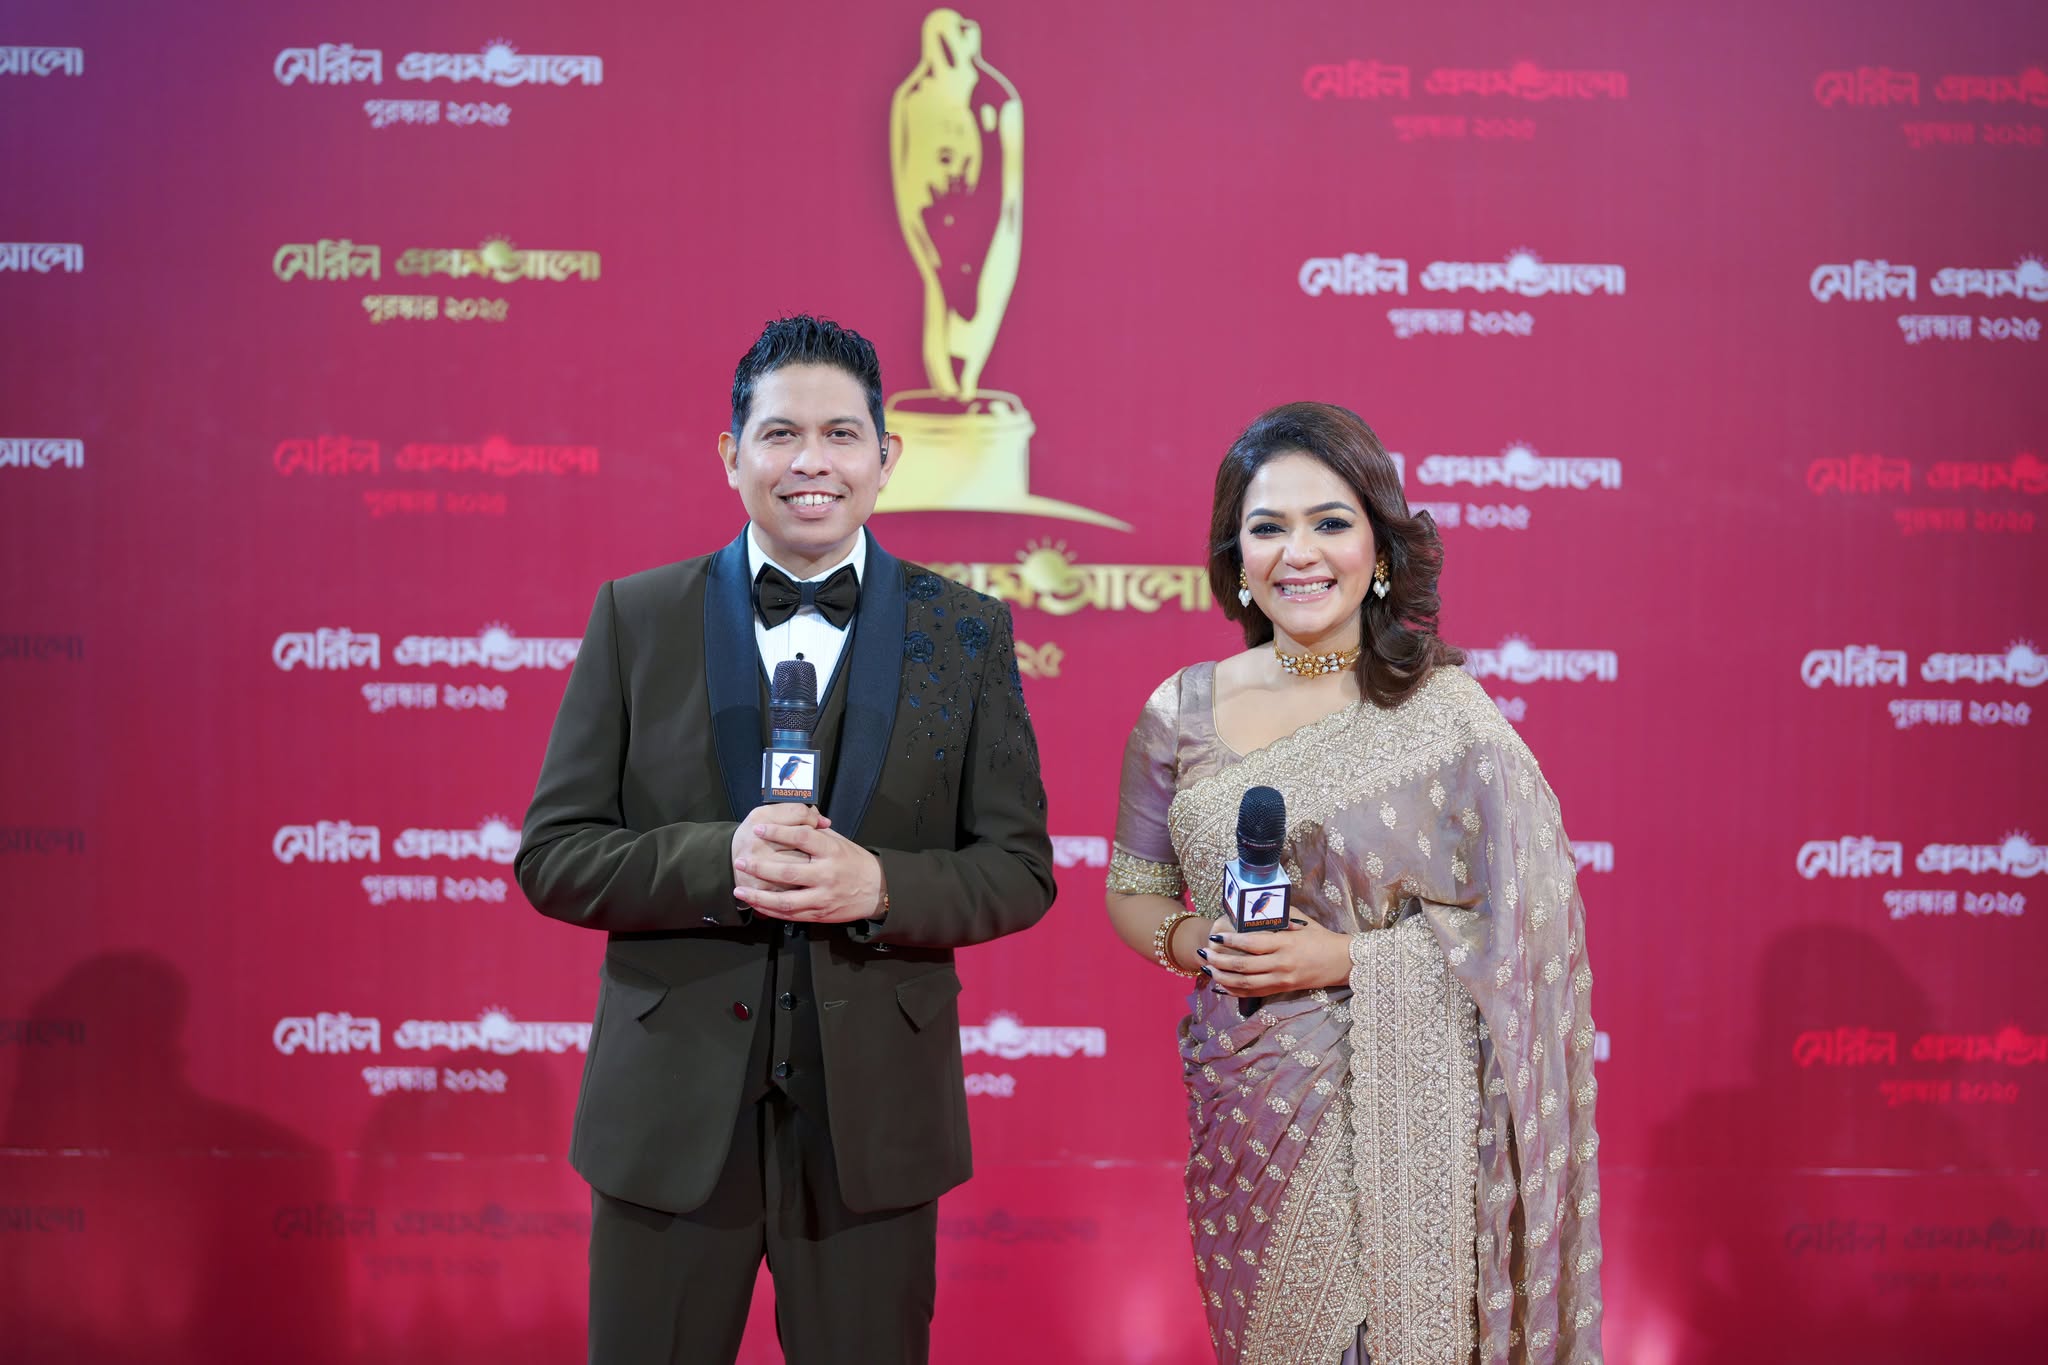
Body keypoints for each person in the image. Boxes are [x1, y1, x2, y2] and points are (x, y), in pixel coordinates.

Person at [516, 315, 1056, 1365]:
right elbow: (554, 853)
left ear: (885, 457)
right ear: (732, 455)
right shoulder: (636, 617)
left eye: (841, 434)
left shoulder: (964, 632)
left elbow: (1019, 869)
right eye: (780, 434)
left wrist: (879, 885)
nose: (812, 462)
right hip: (667, 1120)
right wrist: (714, 860)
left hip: (872, 1130)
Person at [1104, 403, 1603, 1364]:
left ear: (1379, 549)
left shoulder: (1448, 718)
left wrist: (1344, 957)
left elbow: (1530, 928)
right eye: (1268, 527)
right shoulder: (1181, 710)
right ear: (1237, 557)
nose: (1299, 553)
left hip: (1408, 1129)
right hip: (1249, 1110)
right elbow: (1134, 887)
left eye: (1330, 522)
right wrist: (1197, 942)